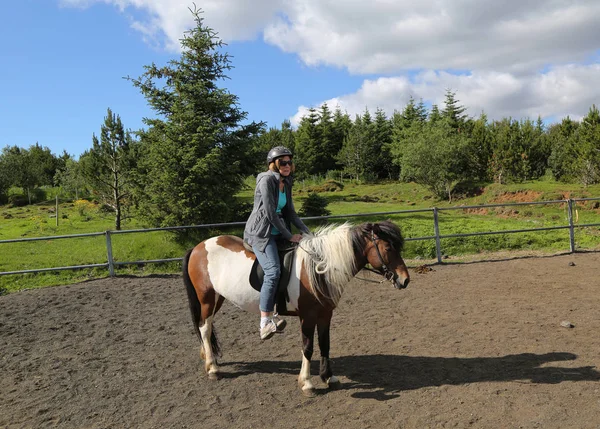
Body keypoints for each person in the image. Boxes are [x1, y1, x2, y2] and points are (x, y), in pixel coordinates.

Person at [244, 146, 311, 340]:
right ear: (273, 164)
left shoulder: (286, 182)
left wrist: (307, 233)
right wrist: (289, 236)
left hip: (278, 231)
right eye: (283, 162)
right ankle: (264, 322)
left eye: (289, 162)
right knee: (273, 271)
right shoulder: (266, 180)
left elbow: (290, 212)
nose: (287, 165)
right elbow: (270, 213)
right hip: (262, 233)